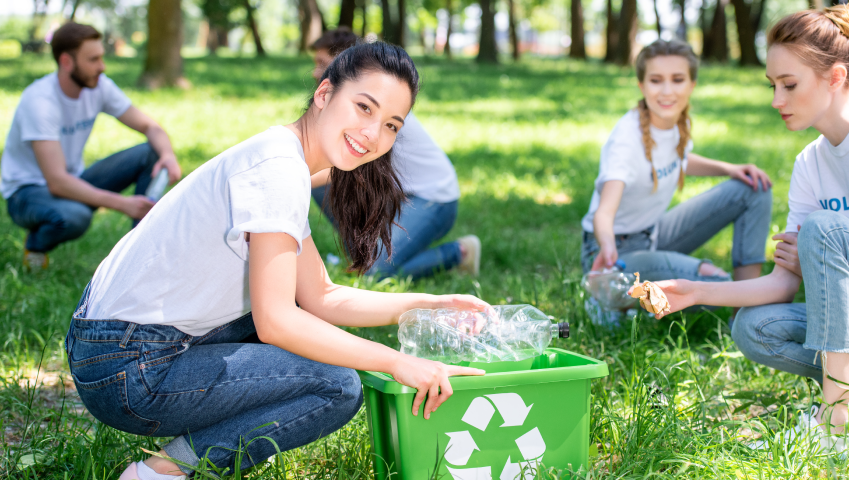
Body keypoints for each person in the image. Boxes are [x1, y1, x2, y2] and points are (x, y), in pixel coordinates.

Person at [65, 42, 488, 480]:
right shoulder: (278, 169)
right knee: (336, 385)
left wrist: (430, 304)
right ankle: (159, 474)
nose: (373, 133)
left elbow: (321, 296)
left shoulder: (282, 157)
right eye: (364, 107)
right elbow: (277, 322)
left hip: (109, 348)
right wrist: (396, 361)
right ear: (324, 94)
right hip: (128, 368)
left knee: (312, 331)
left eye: (391, 125)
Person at [650, 2, 849, 453]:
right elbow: (782, 285)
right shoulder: (810, 164)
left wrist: (829, 257)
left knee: (824, 229)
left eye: (789, 85)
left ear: (836, 77)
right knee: (754, 327)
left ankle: (835, 419)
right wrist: (695, 291)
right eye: (773, 85)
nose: (776, 101)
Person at [580, 39, 772, 321]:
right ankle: (608, 297)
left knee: (753, 189)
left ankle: (744, 315)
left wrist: (730, 168)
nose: (667, 91)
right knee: (717, 283)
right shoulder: (627, 140)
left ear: (692, 84)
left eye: (678, 79)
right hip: (614, 255)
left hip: (653, 233)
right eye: (656, 80)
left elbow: (678, 160)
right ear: (641, 85)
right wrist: (607, 249)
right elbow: (603, 213)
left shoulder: (672, 123)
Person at [1, 22, 181, 271]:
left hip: (71, 179)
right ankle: (36, 244)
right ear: (66, 62)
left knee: (151, 152)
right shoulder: (40, 102)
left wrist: (168, 155)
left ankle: (136, 260)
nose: (102, 66)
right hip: (27, 193)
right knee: (76, 217)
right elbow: (56, 181)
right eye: (93, 59)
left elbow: (150, 127)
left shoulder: (99, 86)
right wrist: (122, 203)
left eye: (101, 58)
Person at [310, 28, 481, 280]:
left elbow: (328, 169)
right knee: (320, 185)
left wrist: (280, 181)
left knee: (373, 273)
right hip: (393, 192)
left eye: (322, 64)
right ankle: (363, 254)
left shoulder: (380, 106)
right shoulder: (342, 101)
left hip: (432, 199)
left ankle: (460, 252)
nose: (315, 71)